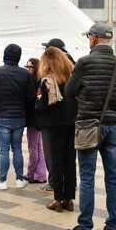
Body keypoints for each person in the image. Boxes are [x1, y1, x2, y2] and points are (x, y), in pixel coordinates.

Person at [64, 23, 116, 230]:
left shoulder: (84, 62)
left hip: (88, 125)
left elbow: (69, 91)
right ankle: (112, 226)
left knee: (88, 177)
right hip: (112, 126)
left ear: (93, 38)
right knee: (113, 177)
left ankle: (85, 227)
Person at [0, 44, 35, 190]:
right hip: (19, 116)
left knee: (3, 150)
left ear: (5, 55)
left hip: (2, 115)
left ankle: (2, 181)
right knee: (17, 149)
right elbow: (31, 96)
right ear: (19, 56)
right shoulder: (25, 74)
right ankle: (19, 179)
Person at [35, 48, 78, 211]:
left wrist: (37, 103)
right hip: (72, 121)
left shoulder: (47, 80)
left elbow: (43, 107)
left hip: (54, 124)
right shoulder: (71, 77)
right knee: (70, 160)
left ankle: (58, 199)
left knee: (56, 161)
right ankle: (69, 199)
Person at [23, 58, 46, 185]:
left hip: (34, 117)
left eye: (30, 66)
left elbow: (30, 100)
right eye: (26, 66)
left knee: (33, 147)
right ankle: (40, 174)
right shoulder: (40, 81)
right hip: (39, 118)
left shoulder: (33, 82)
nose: (27, 69)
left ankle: (32, 173)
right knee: (38, 147)